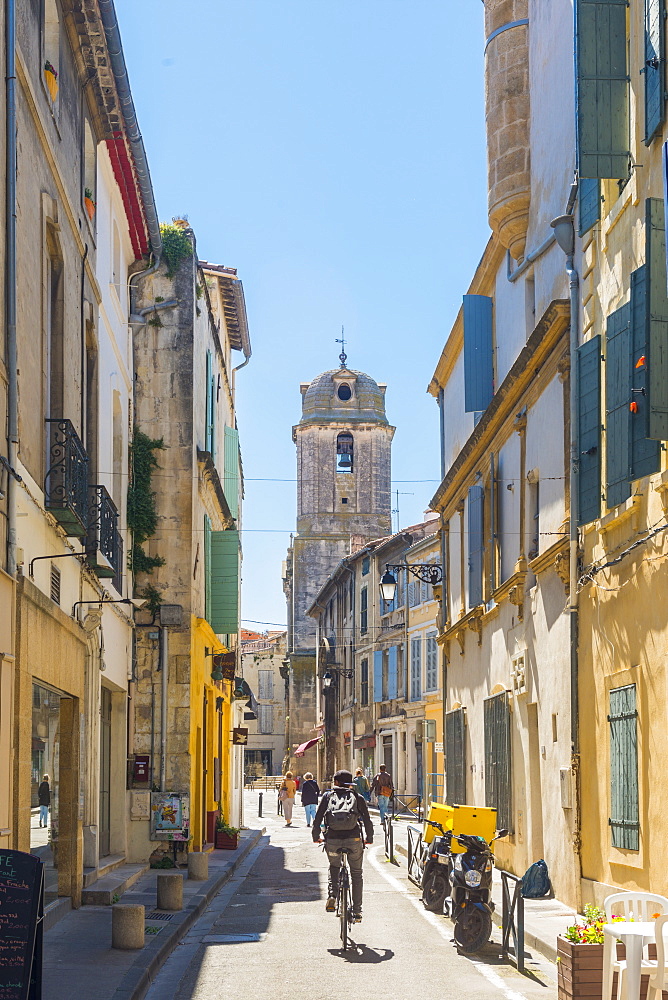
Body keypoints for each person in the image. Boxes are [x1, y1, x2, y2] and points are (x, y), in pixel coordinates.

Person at [312, 769, 373, 922]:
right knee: (356, 873)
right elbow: (367, 820)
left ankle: (333, 895)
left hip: (333, 840)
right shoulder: (357, 797)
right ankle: (358, 912)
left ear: (336, 783)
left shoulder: (327, 797)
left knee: (334, 866)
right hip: (354, 840)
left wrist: (316, 836)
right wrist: (369, 838)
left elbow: (318, 818)